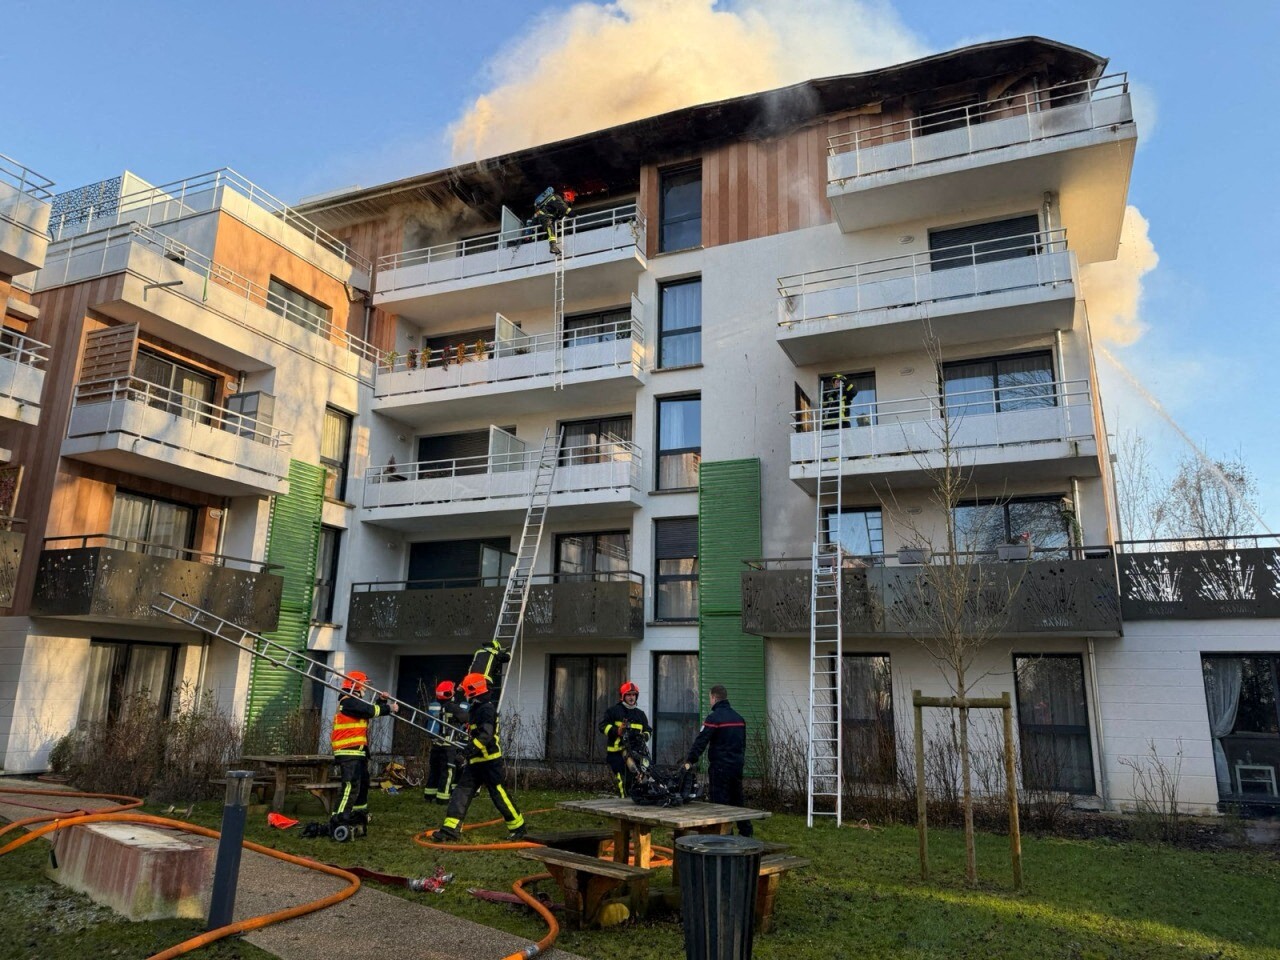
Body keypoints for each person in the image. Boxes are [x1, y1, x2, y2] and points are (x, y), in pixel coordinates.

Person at [430, 672, 526, 843]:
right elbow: (470, 726)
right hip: (476, 761)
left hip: (489, 761)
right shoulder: (477, 708)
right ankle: (450, 829)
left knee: (498, 794)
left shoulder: (486, 709)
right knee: (461, 793)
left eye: (466, 691)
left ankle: (518, 828)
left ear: (473, 691)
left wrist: (468, 751)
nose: (464, 694)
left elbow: (486, 735)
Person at [330, 670, 398, 832]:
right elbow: (369, 711)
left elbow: (369, 710)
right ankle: (338, 819)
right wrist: (389, 708)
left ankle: (358, 815)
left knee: (362, 785)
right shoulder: (347, 702)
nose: (365, 689)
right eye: (364, 685)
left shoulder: (354, 704)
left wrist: (381, 701)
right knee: (350, 786)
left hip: (358, 752)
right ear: (355, 684)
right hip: (348, 752)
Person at [683, 684, 752, 837]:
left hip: (720, 768)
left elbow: (701, 741)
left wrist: (690, 760)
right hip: (736, 766)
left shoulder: (713, 718)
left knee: (719, 804)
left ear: (714, 698)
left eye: (710, 698)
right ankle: (746, 832)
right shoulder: (739, 719)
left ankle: (725, 836)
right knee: (737, 800)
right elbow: (743, 744)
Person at [599, 681, 652, 798]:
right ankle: (624, 805)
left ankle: (636, 802)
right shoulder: (613, 711)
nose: (631, 697)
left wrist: (644, 736)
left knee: (639, 780)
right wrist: (617, 731)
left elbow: (648, 730)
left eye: (634, 695)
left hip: (636, 753)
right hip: (617, 753)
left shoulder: (640, 715)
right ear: (623, 696)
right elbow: (602, 726)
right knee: (624, 780)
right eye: (629, 695)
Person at [423, 680, 462, 804]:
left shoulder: (434, 705)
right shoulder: (452, 706)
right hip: (448, 745)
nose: (454, 691)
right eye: (452, 690)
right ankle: (443, 798)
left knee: (434, 770)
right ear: (448, 693)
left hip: (435, 744)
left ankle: (429, 795)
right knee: (447, 772)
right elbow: (465, 717)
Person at [530, 186, 575, 255]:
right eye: (570, 198)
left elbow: (561, 213)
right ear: (567, 195)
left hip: (548, 217)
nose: (571, 200)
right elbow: (565, 209)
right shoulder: (556, 198)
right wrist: (574, 214)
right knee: (549, 227)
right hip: (544, 216)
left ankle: (551, 244)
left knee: (551, 227)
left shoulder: (555, 198)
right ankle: (553, 246)